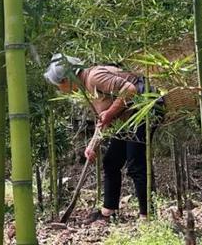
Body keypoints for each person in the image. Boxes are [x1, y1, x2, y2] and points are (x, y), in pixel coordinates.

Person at [43, 53, 160, 223]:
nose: (59, 89)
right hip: (125, 117)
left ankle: (147, 216)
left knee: (136, 163)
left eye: (58, 85)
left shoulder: (94, 77)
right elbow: (104, 120)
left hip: (145, 109)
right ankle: (108, 212)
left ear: (66, 80)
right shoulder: (87, 89)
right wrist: (92, 145)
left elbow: (130, 90)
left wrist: (110, 113)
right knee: (111, 162)